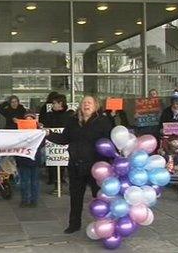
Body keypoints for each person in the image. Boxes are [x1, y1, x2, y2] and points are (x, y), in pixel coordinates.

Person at [46, 96, 112, 234]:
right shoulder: (73, 121)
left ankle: (105, 224)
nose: (86, 104)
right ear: (80, 106)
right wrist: (48, 134)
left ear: (95, 106)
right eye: (84, 102)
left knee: (100, 197)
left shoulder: (103, 121)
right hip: (76, 166)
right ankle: (74, 224)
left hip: (96, 167)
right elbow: (64, 139)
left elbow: (109, 143)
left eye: (90, 102)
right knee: (75, 198)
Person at [41, 94, 73, 192]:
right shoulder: (49, 115)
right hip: (52, 143)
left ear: (61, 103)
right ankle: (55, 183)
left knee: (63, 163)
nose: (53, 105)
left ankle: (62, 182)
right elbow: (46, 125)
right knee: (53, 163)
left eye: (54, 103)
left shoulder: (69, 115)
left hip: (64, 143)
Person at [15, 113, 41, 208]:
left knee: (35, 182)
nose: (29, 121)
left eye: (31, 119)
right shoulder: (18, 134)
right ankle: (24, 200)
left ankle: (34, 200)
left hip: (35, 160)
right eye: (27, 120)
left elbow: (42, 144)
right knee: (24, 181)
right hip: (23, 160)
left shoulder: (39, 133)